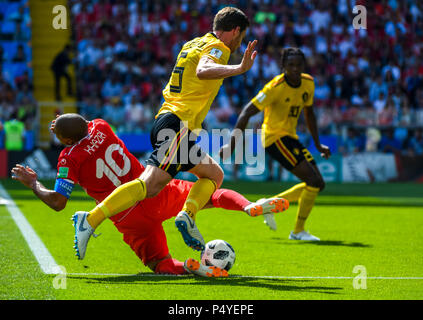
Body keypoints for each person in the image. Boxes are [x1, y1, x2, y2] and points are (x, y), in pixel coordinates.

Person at [75, 7, 265, 258]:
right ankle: (90, 219)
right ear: (236, 30)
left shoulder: (194, 43)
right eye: (241, 36)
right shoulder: (220, 48)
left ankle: (187, 215)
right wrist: (239, 68)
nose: (240, 42)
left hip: (172, 122)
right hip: (176, 124)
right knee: (150, 185)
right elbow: (203, 71)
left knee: (213, 174)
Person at [11, 114, 288, 277]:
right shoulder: (101, 126)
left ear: (67, 141)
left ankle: (193, 268)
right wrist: (66, 127)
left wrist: (35, 184)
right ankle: (248, 205)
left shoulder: (68, 157)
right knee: (211, 191)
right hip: (154, 189)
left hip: (125, 213)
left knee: (158, 262)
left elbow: (59, 202)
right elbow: (80, 128)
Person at [220, 47, 331, 241]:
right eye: (290, 65)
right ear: (283, 67)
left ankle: (268, 204)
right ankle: (297, 231)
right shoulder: (274, 87)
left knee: (318, 184)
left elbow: (310, 114)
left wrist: (318, 144)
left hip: (291, 137)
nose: (295, 69)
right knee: (312, 181)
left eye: (298, 65)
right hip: (273, 139)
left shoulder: (308, 83)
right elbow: (246, 113)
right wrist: (231, 145)